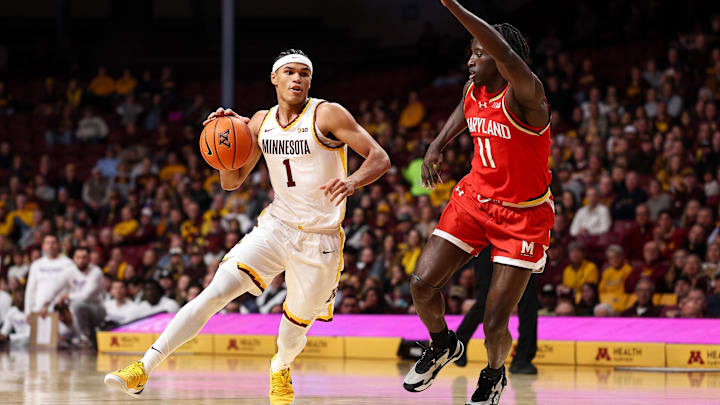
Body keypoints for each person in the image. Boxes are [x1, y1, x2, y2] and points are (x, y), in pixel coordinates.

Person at [104, 49, 390, 405]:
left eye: (304, 73)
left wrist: (352, 181)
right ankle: (143, 367)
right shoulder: (259, 122)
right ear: (275, 78)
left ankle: (280, 367)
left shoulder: (327, 113)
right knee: (214, 292)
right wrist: (226, 139)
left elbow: (380, 156)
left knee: (294, 328)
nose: (297, 79)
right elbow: (231, 181)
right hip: (277, 226)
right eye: (289, 72)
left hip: (320, 239)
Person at [403, 2, 555, 404]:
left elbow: (504, 53)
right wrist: (437, 144)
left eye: (478, 53)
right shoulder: (474, 88)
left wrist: (452, 4)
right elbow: (464, 109)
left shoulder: (528, 96)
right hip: (474, 201)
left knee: (493, 321)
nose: (471, 60)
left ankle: (493, 374)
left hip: (522, 217)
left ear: (502, 56)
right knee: (421, 286)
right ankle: (442, 345)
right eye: (470, 52)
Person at [454, 248, 540, 374]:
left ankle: (523, 359)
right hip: (492, 244)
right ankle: (459, 342)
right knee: (486, 301)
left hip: (522, 245)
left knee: (529, 303)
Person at [59, 246, 105, 347]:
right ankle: (71, 336)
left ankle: (84, 338)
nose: (81, 260)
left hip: (97, 310)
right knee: (61, 307)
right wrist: (46, 303)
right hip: (76, 308)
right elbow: (55, 288)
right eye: (78, 257)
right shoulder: (69, 271)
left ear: (89, 258)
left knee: (78, 305)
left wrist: (67, 296)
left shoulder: (96, 271)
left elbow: (86, 296)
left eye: (84, 257)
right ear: (73, 259)